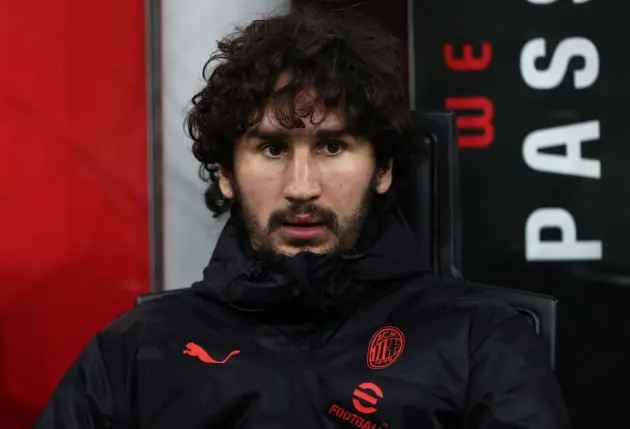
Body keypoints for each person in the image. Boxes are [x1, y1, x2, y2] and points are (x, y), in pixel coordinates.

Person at [35, 7, 571, 429]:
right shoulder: (138, 348)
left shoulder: (480, 339)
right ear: (225, 173)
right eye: (271, 149)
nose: (301, 187)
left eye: (333, 146)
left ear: (383, 168)